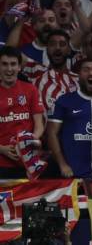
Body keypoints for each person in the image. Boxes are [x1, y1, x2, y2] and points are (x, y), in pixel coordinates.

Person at [0, 46, 44, 178]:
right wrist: (2, 149)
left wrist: (28, 144)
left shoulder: (30, 90)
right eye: (4, 64)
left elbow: (39, 125)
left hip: (28, 164)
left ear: (19, 67)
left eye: (13, 64)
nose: (9, 69)